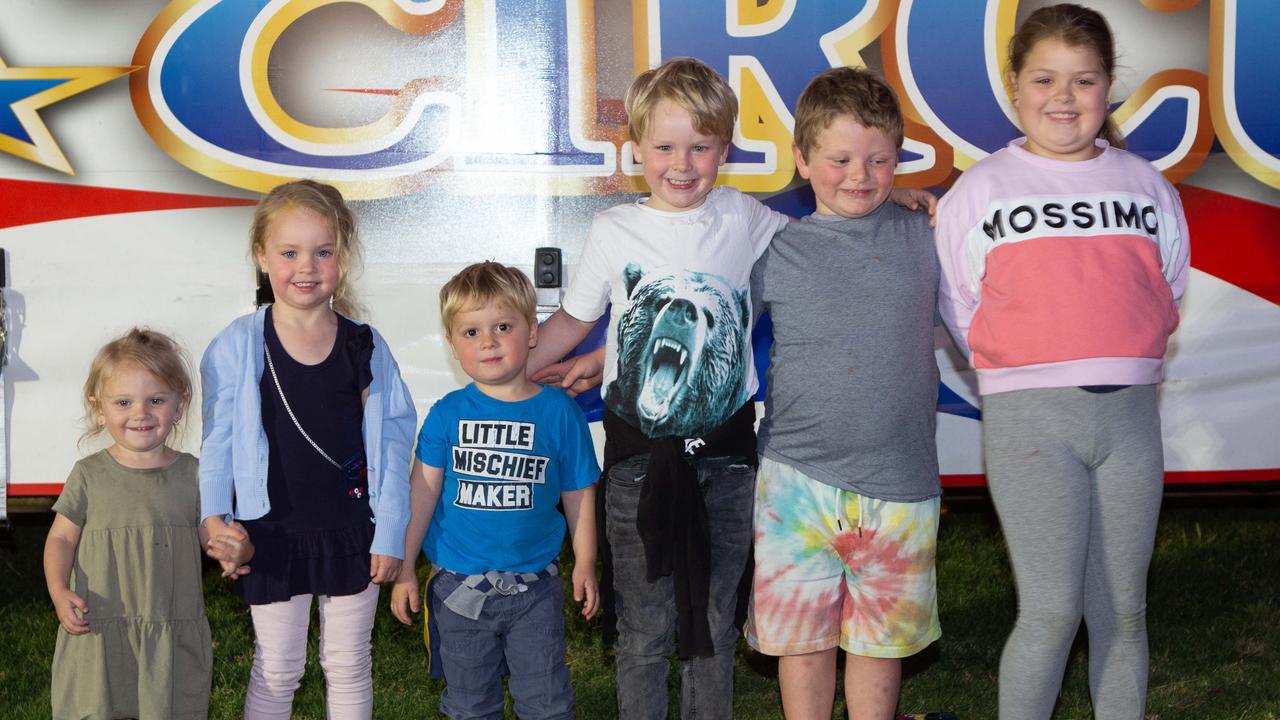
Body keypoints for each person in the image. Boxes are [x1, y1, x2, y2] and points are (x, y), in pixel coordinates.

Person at [934, 5, 1190, 717]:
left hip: (1132, 420)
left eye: (1084, 80)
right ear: (1016, 88)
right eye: (1045, 79)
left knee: (1125, 613)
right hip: (1030, 422)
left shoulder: (1146, 184)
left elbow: (1168, 287)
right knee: (1049, 612)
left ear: (1109, 88)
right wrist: (1018, 360)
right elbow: (959, 301)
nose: (1064, 97)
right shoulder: (982, 189)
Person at [527, 56, 790, 720]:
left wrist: (888, 208)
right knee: (643, 631)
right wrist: (517, 366)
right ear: (635, 149)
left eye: (701, 147)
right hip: (639, 464)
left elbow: (823, 248)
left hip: (727, 462)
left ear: (723, 150)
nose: (682, 162)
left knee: (713, 623)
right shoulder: (615, 231)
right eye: (666, 146)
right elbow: (575, 318)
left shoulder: (746, 219)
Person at [746, 67, 942, 720]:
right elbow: (705, 320)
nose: (859, 175)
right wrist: (606, 354)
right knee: (802, 644)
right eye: (840, 159)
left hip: (901, 480)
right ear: (802, 160)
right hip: (794, 482)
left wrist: (917, 196)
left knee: (880, 644)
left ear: (898, 157)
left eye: (879, 159)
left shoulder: (928, 233)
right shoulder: (773, 248)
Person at [199, 179, 416, 719]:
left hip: (352, 531)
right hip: (269, 532)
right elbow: (217, 442)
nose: (306, 267)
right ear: (261, 257)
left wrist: (389, 532)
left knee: (347, 664)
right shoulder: (236, 343)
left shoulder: (363, 345)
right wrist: (213, 520)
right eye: (289, 252)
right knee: (277, 668)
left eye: (323, 252)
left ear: (342, 258)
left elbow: (392, 440)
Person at [389, 261, 600, 719]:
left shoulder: (560, 414)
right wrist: (405, 567)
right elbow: (421, 494)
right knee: (468, 704)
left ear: (531, 333)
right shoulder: (447, 414)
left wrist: (585, 561)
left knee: (546, 702)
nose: (488, 341)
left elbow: (579, 492)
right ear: (451, 344)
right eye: (471, 332)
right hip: (457, 588)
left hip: (536, 589)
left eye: (502, 326)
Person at [44, 328, 249, 719]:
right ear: (99, 408)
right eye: (123, 402)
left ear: (180, 404)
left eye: (155, 400)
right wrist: (57, 590)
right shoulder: (88, 474)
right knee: (97, 705)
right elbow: (61, 540)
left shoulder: (192, 473)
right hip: (101, 624)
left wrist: (232, 550)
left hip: (167, 625)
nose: (140, 413)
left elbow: (213, 534)